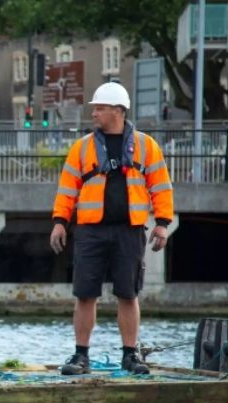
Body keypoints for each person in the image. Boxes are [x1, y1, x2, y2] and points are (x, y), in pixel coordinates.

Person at [49, 82, 174, 375]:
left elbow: (161, 187)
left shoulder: (147, 146)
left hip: (130, 230)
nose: (94, 113)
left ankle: (130, 356)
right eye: (94, 108)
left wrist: (162, 224)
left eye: (100, 108)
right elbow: (67, 189)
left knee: (128, 294)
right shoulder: (82, 148)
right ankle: (81, 356)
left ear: (118, 111)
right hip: (90, 231)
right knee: (85, 294)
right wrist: (59, 222)